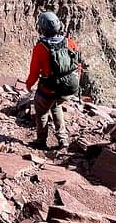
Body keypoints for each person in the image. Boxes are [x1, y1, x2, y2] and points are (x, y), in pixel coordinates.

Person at [24, 11, 82, 149]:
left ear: (42, 28)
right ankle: (63, 139)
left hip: (48, 89)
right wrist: (74, 80)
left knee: (42, 112)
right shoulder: (70, 43)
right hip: (68, 88)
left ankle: (41, 141)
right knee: (57, 105)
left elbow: (34, 72)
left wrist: (29, 85)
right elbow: (78, 65)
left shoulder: (40, 48)